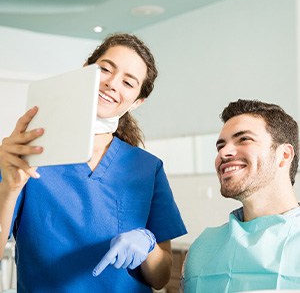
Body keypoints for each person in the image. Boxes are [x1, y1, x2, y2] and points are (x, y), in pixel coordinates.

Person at [0, 33, 187, 292]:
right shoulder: (28, 152)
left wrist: (147, 245)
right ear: (86, 71)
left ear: (137, 102)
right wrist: (9, 187)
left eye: (128, 83)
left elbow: (162, 277)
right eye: (105, 69)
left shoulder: (147, 168)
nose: (112, 83)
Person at [183, 99, 300, 292]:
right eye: (220, 146)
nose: (224, 153)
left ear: (284, 155)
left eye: (244, 139)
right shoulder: (202, 249)